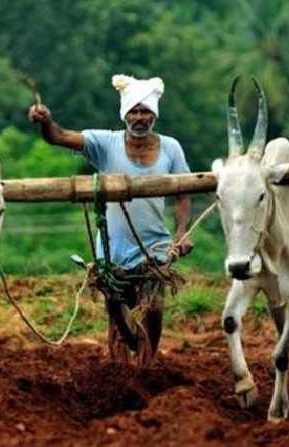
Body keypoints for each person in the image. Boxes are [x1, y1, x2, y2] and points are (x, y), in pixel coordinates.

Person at [28, 74, 193, 364]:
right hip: (112, 250)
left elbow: (184, 193)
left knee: (153, 309)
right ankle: (118, 368)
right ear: (124, 114)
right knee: (116, 311)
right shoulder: (105, 143)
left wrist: (182, 232)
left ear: (154, 115)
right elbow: (60, 136)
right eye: (134, 111)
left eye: (145, 112)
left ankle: (147, 364)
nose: (140, 118)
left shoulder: (171, 148)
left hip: (154, 247)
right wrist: (45, 122)